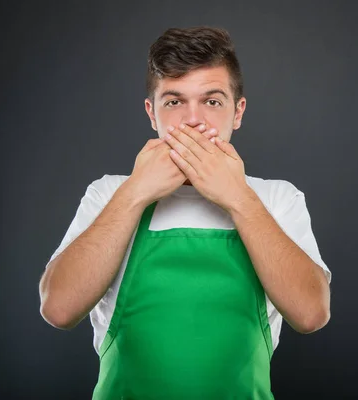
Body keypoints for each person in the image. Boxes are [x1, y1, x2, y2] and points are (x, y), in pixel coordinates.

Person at [39, 26, 332, 399]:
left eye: (212, 102)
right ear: (152, 113)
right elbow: (58, 308)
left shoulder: (275, 198)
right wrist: (135, 193)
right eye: (174, 102)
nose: (193, 121)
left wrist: (238, 198)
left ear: (237, 112)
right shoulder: (110, 193)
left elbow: (311, 314)